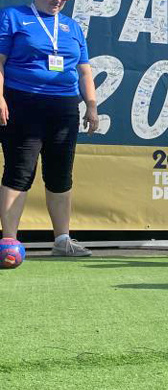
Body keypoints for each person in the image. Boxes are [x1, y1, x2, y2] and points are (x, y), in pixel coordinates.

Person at [0, 0, 99, 256]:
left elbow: (84, 72)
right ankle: (8, 242)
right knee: (19, 171)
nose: (58, 1)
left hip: (64, 106)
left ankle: (62, 240)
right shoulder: (13, 16)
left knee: (60, 173)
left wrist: (91, 105)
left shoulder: (72, 27)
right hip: (23, 102)